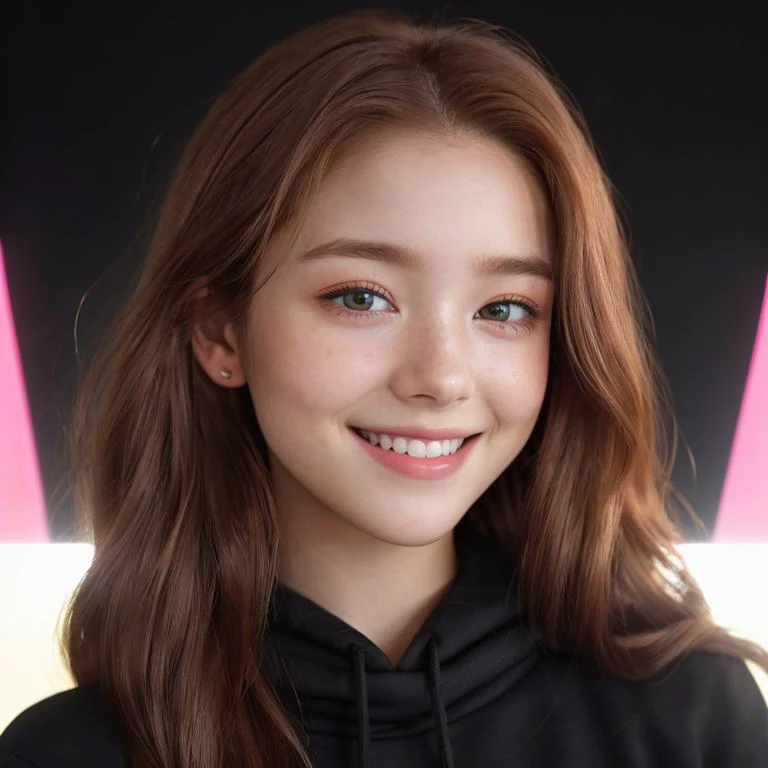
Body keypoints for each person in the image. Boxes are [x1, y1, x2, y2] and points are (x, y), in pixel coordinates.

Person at [1, 7, 767, 768]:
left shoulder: (694, 717)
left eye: (504, 309)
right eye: (361, 297)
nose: (439, 376)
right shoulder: (66, 753)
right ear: (220, 333)